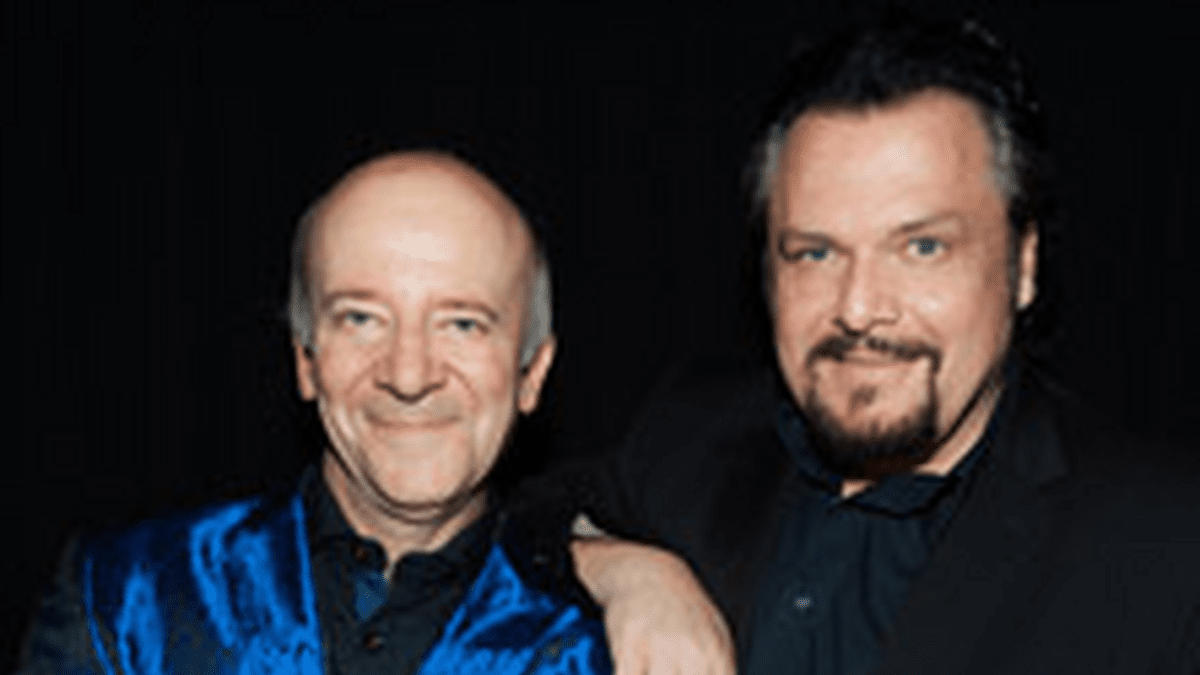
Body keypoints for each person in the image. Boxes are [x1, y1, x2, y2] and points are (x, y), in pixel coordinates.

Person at [560, 13, 1200, 675]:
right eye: (815, 253)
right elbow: (524, 516)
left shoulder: (1166, 545)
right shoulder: (692, 434)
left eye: (922, 248)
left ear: (1024, 265)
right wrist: (628, 573)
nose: (859, 308)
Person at [17, 151, 612, 675]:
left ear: (532, 373)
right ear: (306, 359)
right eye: (361, 318)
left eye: (462, 324)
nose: (409, 376)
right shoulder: (125, 597)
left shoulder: (608, 647)